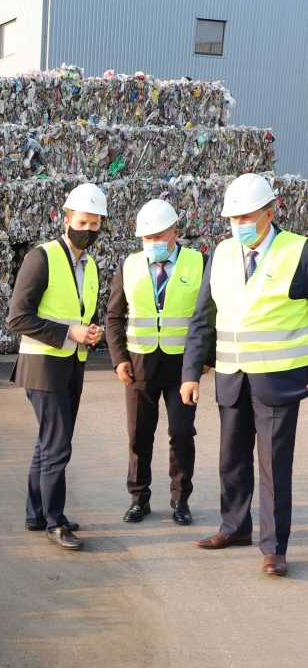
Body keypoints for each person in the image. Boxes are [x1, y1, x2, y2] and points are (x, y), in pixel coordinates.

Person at [181, 173, 308, 577]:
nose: (239, 225)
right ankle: (234, 527)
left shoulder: (298, 252)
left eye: (246, 216)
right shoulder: (220, 254)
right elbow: (203, 318)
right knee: (231, 460)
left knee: (273, 466)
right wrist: (190, 373)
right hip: (232, 377)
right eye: (232, 218)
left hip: (276, 378)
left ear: (270, 212)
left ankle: (274, 548)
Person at [7, 184, 106, 551]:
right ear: (66, 219)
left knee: (49, 443)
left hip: (71, 364)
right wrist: (69, 332)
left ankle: (37, 513)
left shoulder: (90, 264)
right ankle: (55, 522)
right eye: (83, 221)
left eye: (96, 223)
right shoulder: (41, 257)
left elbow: (81, 311)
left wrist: (89, 330)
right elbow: (18, 318)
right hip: (43, 366)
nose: (89, 229)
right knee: (58, 446)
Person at [105, 199, 203, 525]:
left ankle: (180, 500)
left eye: (159, 237)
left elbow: (210, 315)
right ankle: (139, 498)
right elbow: (114, 316)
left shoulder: (197, 263)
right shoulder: (129, 266)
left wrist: (206, 357)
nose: (154, 244)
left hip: (182, 368)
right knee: (139, 435)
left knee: (182, 433)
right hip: (139, 365)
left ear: (176, 232)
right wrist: (119, 358)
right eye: (147, 238)